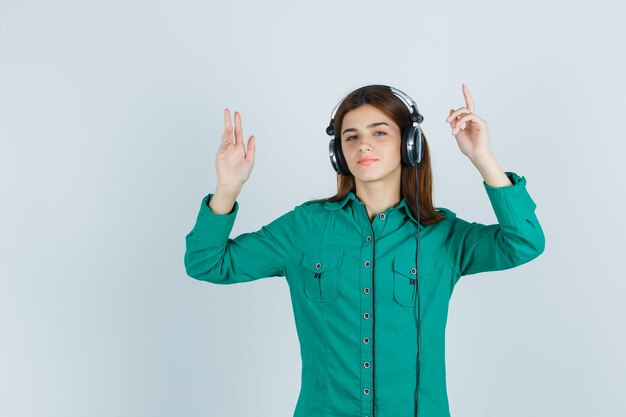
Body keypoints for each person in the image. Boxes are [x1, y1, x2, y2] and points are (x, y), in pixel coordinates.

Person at [184, 84, 545, 417]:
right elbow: (207, 263)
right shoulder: (305, 228)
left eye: (379, 132)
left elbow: (524, 242)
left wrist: (483, 159)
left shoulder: (443, 236)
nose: (363, 145)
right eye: (350, 137)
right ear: (338, 153)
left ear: (409, 145)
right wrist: (227, 189)